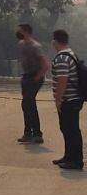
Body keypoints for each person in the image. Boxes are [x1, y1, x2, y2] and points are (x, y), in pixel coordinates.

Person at [50, 29, 83, 170]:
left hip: (68, 100)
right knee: (67, 129)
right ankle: (68, 156)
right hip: (73, 99)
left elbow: (62, 80)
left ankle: (76, 161)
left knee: (71, 130)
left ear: (55, 41)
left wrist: (58, 100)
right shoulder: (71, 54)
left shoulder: (62, 58)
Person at [16, 23, 49, 144]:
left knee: (29, 103)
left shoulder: (35, 47)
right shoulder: (21, 44)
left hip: (35, 77)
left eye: (20, 31)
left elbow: (46, 65)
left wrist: (37, 77)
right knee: (26, 105)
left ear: (25, 32)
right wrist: (23, 75)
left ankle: (37, 134)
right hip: (26, 77)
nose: (18, 33)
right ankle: (28, 133)